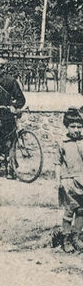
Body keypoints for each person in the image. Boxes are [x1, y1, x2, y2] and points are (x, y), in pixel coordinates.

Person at [58, 107, 83, 252]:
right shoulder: (63, 143)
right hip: (68, 183)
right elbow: (57, 163)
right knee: (69, 211)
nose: (76, 129)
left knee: (81, 211)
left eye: (80, 126)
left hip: (82, 181)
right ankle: (66, 239)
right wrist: (57, 181)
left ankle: (76, 236)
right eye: (73, 126)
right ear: (66, 126)